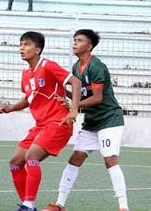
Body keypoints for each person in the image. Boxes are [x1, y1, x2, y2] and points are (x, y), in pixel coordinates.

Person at [42, 30, 128, 211]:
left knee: (110, 159)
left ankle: (123, 207)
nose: (74, 43)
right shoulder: (75, 67)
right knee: (75, 158)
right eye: (74, 40)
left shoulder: (96, 66)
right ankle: (59, 205)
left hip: (109, 120)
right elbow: (77, 94)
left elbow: (97, 98)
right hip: (92, 122)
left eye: (79, 40)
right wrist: (60, 93)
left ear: (89, 46)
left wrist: (74, 107)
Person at [0, 31, 82, 211]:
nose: (22, 48)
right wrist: (10, 108)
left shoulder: (48, 66)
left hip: (59, 123)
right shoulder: (26, 73)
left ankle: (28, 204)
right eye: (21, 44)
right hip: (41, 125)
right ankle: (27, 206)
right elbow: (29, 98)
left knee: (31, 157)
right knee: (15, 162)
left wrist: (73, 109)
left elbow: (75, 82)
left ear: (37, 49)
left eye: (26, 44)